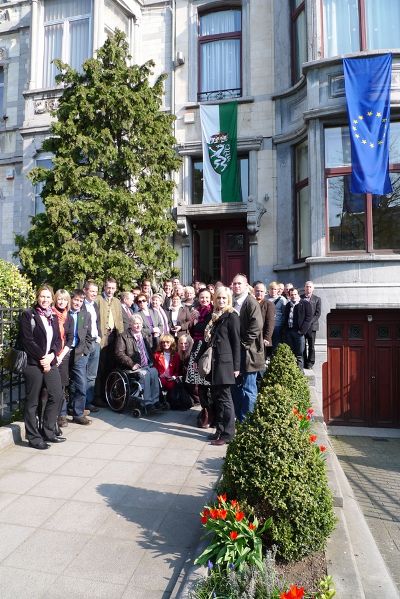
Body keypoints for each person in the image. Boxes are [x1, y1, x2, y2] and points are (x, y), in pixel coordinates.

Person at [19, 285, 65, 449]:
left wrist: (52, 355)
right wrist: (42, 358)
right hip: (33, 364)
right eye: (42, 296)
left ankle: (48, 431)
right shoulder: (28, 315)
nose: (45, 300)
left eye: (48, 297)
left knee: (57, 395)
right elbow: (27, 340)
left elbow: (58, 340)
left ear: (52, 299)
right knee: (32, 402)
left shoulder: (52, 316)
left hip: (50, 362)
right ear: (37, 297)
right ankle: (33, 437)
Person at [201, 286, 240, 446]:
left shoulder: (232, 316)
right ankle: (219, 429)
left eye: (224, 298)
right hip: (215, 364)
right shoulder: (215, 317)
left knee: (225, 399)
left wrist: (236, 367)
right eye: (219, 298)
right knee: (217, 398)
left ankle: (228, 434)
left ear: (228, 300)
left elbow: (236, 343)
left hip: (225, 364)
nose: (221, 301)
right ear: (215, 300)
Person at [231, 274, 264, 422]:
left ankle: (247, 422)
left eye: (239, 283)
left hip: (249, 354)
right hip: (236, 353)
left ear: (246, 286)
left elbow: (256, 327)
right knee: (236, 387)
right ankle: (239, 418)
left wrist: (242, 344)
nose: (236, 286)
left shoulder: (251, 302)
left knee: (249, 389)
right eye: (234, 283)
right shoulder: (232, 302)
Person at [114, 315, 162, 415]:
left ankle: (155, 401)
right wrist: (132, 364)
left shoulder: (144, 335)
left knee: (154, 372)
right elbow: (119, 353)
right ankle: (147, 403)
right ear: (130, 324)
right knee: (146, 374)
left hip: (146, 364)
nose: (138, 325)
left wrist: (156, 338)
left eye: (139, 323)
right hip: (132, 367)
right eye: (135, 323)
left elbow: (152, 349)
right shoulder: (123, 336)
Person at [185, 288, 213, 426]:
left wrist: (196, 322)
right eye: (202, 297)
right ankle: (205, 411)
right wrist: (191, 321)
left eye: (207, 297)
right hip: (196, 347)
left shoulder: (211, 312)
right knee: (198, 383)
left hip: (206, 349)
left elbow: (203, 330)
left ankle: (209, 413)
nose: (204, 300)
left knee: (207, 383)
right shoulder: (197, 311)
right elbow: (192, 331)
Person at [94, 277, 124, 406]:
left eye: (113, 288)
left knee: (111, 368)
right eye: (108, 288)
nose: (110, 290)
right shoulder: (98, 300)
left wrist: (122, 338)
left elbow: (120, 320)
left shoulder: (117, 301)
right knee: (99, 369)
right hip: (102, 338)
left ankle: (109, 395)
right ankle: (97, 397)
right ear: (104, 288)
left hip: (114, 338)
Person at [68, 289, 93, 424]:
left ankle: (78, 413)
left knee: (81, 385)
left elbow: (89, 335)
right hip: (64, 353)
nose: (78, 303)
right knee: (63, 384)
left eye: (80, 301)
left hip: (80, 354)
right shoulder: (65, 313)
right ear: (71, 299)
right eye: (76, 300)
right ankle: (61, 415)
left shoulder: (85, 315)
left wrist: (85, 351)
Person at [52, 289, 73, 428]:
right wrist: (55, 356)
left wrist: (61, 355)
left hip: (63, 356)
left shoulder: (69, 317)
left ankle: (62, 415)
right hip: (51, 355)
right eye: (59, 299)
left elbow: (70, 338)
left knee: (62, 386)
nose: (62, 302)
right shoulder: (50, 315)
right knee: (51, 387)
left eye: (65, 299)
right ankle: (51, 415)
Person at [82, 280, 101, 413]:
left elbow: (97, 322)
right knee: (80, 374)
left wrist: (99, 336)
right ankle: (79, 404)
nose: (94, 294)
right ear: (85, 291)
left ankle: (88, 402)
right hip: (84, 344)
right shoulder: (80, 305)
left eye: (96, 291)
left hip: (95, 342)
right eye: (92, 291)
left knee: (92, 375)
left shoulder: (95, 305)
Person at [283, 288, 312, 371]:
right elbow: (286, 318)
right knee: (290, 353)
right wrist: (286, 331)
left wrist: (302, 331)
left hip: (299, 333)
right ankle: (292, 371)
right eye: (291, 295)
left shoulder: (305, 304)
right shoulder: (288, 305)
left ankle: (299, 374)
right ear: (289, 295)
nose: (293, 296)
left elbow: (308, 318)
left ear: (298, 294)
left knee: (299, 354)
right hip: (289, 332)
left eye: (295, 294)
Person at [153, 334, 181, 404]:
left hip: (171, 379)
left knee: (173, 398)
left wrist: (174, 377)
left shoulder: (176, 355)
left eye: (167, 342)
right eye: (163, 342)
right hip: (160, 379)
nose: (165, 344)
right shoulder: (157, 355)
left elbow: (178, 370)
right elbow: (154, 368)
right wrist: (159, 375)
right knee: (157, 384)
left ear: (171, 343)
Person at [301, 281, 321, 370]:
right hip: (302, 326)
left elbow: (318, 313)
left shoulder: (317, 299)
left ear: (313, 289)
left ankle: (310, 362)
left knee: (311, 345)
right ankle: (304, 361)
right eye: (307, 286)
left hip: (312, 327)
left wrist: (309, 322)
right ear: (304, 288)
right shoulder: (300, 298)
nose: (308, 288)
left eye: (310, 287)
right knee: (303, 345)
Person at [253, 281, 275, 355]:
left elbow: (270, 322)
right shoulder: (251, 303)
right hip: (252, 336)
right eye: (257, 291)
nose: (259, 293)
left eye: (261, 291)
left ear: (265, 292)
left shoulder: (269, 304)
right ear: (254, 291)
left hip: (263, 337)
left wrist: (267, 338)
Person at [177, 334, 197, 405]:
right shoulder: (180, 353)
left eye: (185, 343)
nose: (183, 345)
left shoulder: (193, 353)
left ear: (190, 343)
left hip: (193, 380)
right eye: (181, 343)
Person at [267, 281, 287, 352]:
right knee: (267, 342)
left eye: (275, 289)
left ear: (278, 290)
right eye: (271, 289)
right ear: (269, 289)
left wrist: (283, 325)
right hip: (267, 325)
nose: (273, 291)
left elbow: (284, 313)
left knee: (276, 343)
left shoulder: (282, 300)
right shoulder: (265, 298)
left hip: (277, 325)